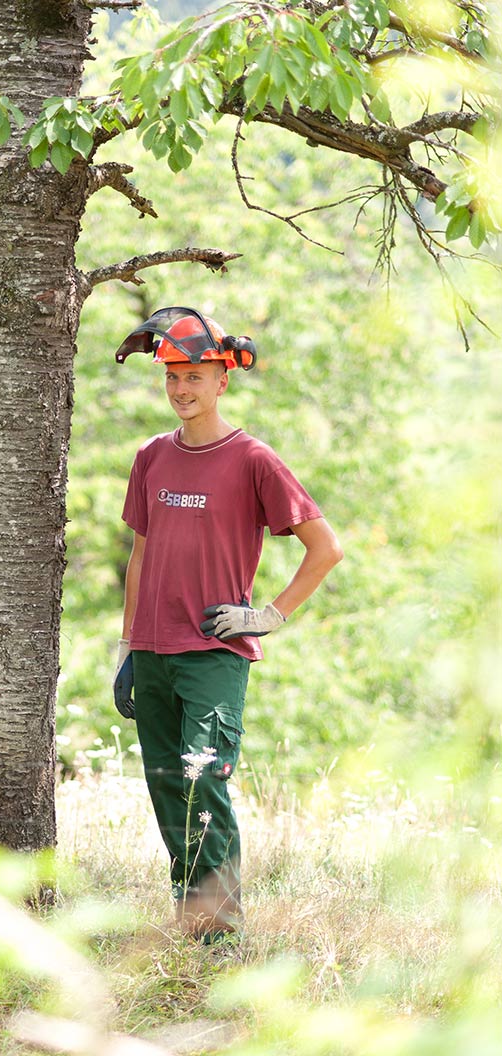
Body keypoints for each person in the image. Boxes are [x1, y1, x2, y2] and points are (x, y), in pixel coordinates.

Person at [113, 307, 343, 943]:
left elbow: (326, 548)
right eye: (172, 378)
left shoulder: (253, 460)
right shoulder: (152, 457)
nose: (182, 390)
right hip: (154, 652)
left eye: (194, 376)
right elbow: (139, 556)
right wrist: (129, 646)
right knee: (166, 787)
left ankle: (221, 933)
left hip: (213, 654)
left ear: (223, 381)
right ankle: (193, 918)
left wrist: (266, 615)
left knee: (203, 781)